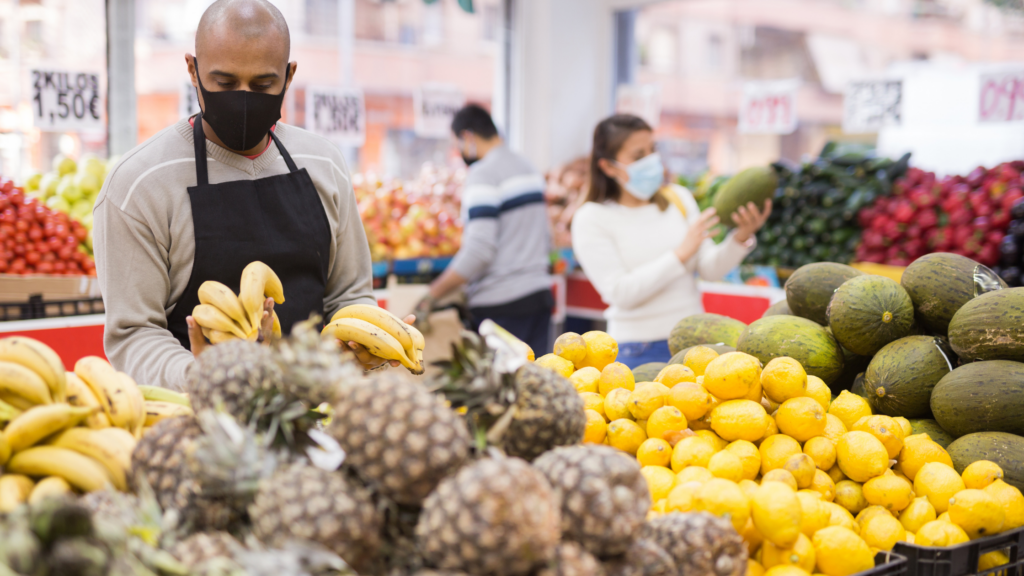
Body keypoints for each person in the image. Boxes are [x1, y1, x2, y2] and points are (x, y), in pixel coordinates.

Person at [94, 0, 400, 390]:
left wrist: (363, 338)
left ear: (289, 76)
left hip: (317, 413)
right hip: (201, 423)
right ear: (192, 70)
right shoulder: (139, 183)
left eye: (262, 85)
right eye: (223, 83)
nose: (242, 98)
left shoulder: (323, 162)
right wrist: (201, 376)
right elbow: (134, 333)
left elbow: (349, 295)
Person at [570, 114, 771, 369]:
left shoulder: (679, 199)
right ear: (608, 167)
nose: (651, 160)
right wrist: (680, 254)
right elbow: (621, 293)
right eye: (637, 155)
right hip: (636, 351)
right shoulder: (592, 218)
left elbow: (710, 269)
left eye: (652, 149)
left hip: (695, 346)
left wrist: (741, 236)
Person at [416, 104, 553, 355]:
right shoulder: (528, 167)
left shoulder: (484, 174)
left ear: (467, 137)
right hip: (539, 297)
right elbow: (547, 237)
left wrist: (431, 295)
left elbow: (479, 250)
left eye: (457, 143)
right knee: (534, 385)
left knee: (502, 391)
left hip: (502, 307)